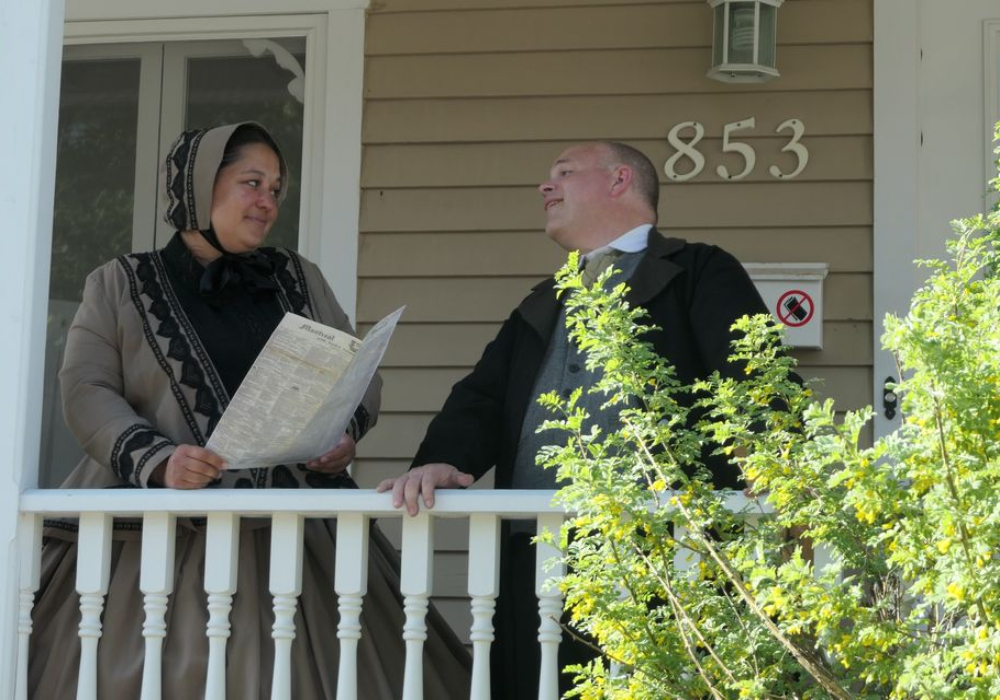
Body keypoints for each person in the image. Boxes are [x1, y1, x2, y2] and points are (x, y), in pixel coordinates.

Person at [30, 122, 470, 699]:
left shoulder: (299, 278)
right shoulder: (120, 283)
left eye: (276, 189)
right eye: (251, 182)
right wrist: (158, 461)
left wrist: (342, 431)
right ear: (197, 188)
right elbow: (85, 390)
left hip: (298, 537)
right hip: (155, 543)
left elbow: (355, 372)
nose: (267, 201)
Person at [378, 141, 771, 698]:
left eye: (564, 172)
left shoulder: (698, 271)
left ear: (618, 181)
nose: (545, 186)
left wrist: (769, 460)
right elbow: (482, 397)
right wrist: (442, 460)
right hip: (534, 558)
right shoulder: (545, 298)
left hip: (660, 555)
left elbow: (750, 373)